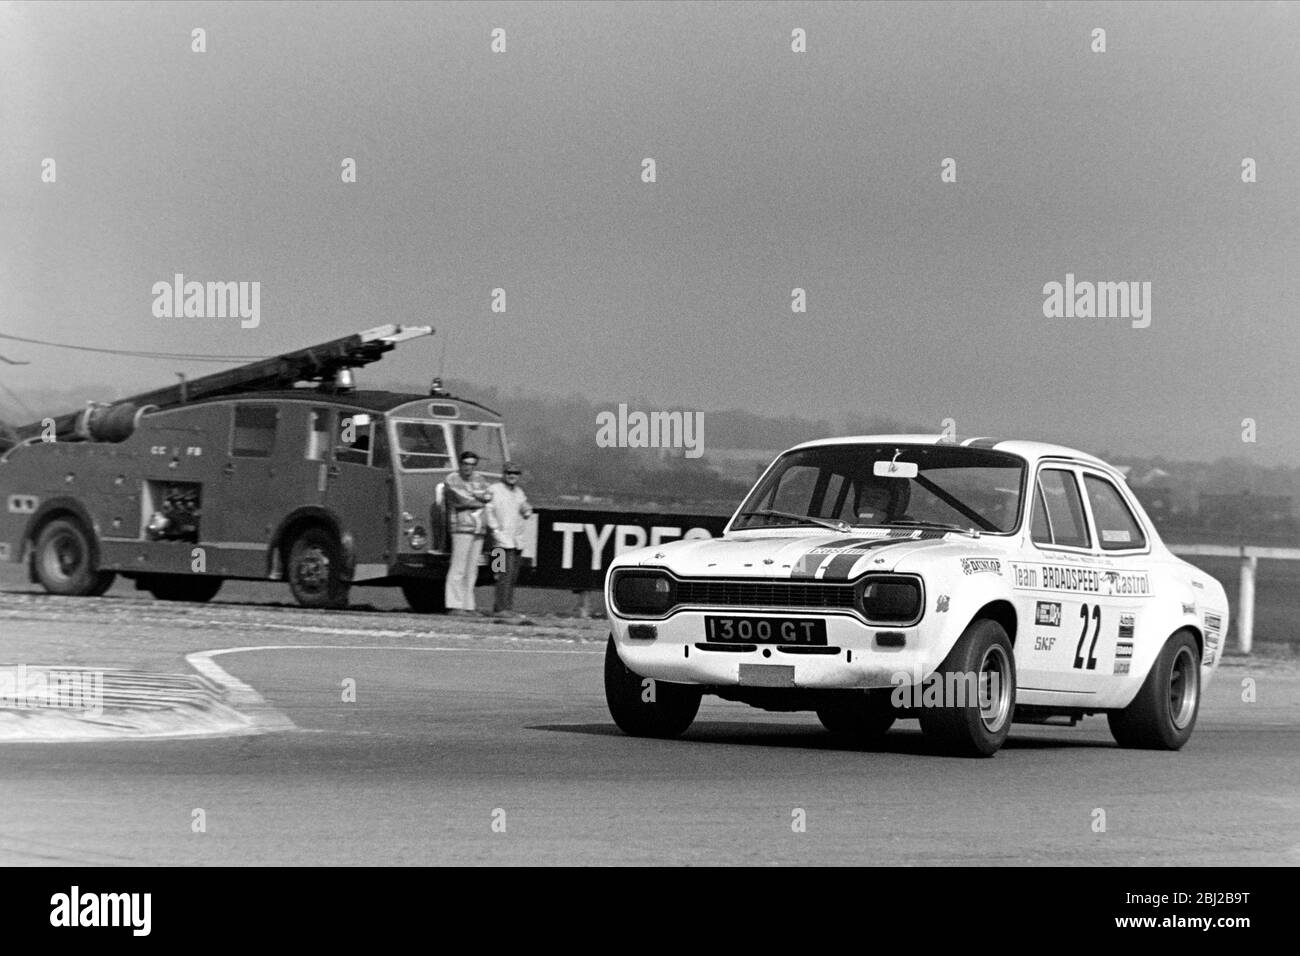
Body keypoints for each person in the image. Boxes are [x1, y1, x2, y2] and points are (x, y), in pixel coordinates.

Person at [443, 450, 493, 614]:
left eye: (472, 464)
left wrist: (478, 497)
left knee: (472, 569)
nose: (468, 467)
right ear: (460, 463)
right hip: (461, 527)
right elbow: (461, 498)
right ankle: (454, 604)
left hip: (479, 528)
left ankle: (468, 605)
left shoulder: (480, 479)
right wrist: (479, 499)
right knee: (458, 567)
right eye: (466, 464)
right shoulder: (452, 479)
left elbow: (489, 495)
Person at [485, 462, 533, 618]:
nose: (512, 476)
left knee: (512, 576)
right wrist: (495, 531)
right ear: (503, 474)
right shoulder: (494, 489)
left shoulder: (519, 492)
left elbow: (525, 508)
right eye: (509, 473)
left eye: (515, 473)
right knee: (501, 575)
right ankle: (500, 608)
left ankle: (507, 607)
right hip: (499, 542)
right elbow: (488, 511)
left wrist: (527, 510)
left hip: (515, 541)